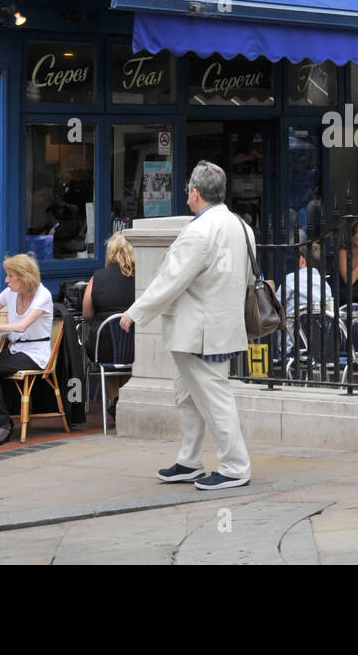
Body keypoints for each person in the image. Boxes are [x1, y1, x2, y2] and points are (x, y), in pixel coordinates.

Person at [120, 161, 254, 490]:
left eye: (187, 191)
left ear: (195, 193)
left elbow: (171, 280)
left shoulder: (199, 231)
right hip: (218, 328)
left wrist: (135, 312)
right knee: (188, 396)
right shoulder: (241, 226)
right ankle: (190, 461)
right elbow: (247, 277)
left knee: (212, 398)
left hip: (198, 333)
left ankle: (235, 466)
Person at [0, 254, 57, 447]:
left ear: (24, 277)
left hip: (35, 353)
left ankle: (3, 424)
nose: (6, 280)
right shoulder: (10, 293)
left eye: (10, 276)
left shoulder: (43, 295)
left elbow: (21, 326)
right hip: (16, 349)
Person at [83, 232, 138, 415]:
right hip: (135, 343)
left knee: (98, 362)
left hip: (104, 344)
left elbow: (87, 313)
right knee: (128, 359)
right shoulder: (143, 278)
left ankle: (115, 398)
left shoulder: (98, 277)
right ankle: (125, 398)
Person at [278, 242, 332, 318]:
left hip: (292, 328)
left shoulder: (291, 279)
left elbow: (277, 304)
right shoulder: (325, 285)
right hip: (317, 329)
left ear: (302, 259)